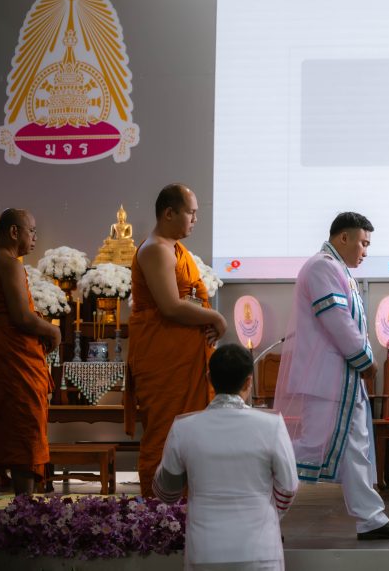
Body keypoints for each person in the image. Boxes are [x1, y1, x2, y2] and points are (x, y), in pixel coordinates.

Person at [275, 212, 389, 540]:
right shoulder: (322, 267)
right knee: (313, 448)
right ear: (343, 238)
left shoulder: (336, 268)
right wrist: (365, 358)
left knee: (356, 447)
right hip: (327, 379)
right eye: (363, 243)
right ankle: (259, 506)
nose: (365, 251)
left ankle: (372, 519)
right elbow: (336, 319)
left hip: (341, 379)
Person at [153, 343, 298, 570]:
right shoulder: (272, 424)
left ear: (209, 378)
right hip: (260, 549)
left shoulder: (184, 427)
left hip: (205, 551)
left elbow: (167, 491)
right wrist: (266, 513)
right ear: (249, 381)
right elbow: (288, 487)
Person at [126, 184, 227, 498]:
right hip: (163, 355)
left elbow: (187, 299)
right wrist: (216, 318)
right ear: (169, 213)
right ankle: (157, 512)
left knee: (190, 432)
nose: (195, 219)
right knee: (165, 432)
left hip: (185, 356)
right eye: (191, 213)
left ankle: (186, 507)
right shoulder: (156, 249)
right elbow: (170, 306)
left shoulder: (173, 248)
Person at [0, 209, 60, 495]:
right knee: (25, 425)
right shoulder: (9, 264)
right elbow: (21, 317)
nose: (35, 237)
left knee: (7, 423)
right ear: (14, 232)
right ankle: (24, 507)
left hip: (0, 354)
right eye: (32, 231)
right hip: (14, 360)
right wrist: (52, 330)